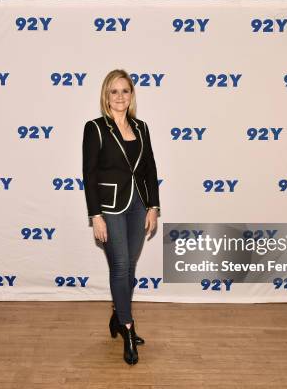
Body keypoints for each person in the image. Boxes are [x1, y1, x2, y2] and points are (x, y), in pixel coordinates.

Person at [82, 69, 161, 365]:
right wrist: (95, 215)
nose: (119, 97)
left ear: (131, 95)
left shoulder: (141, 127)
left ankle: (117, 315)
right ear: (106, 95)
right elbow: (89, 175)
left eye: (125, 91)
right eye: (114, 91)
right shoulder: (95, 128)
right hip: (110, 207)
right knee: (120, 265)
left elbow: (150, 168)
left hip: (139, 205)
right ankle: (128, 329)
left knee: (129, 269)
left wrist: (153, 206)